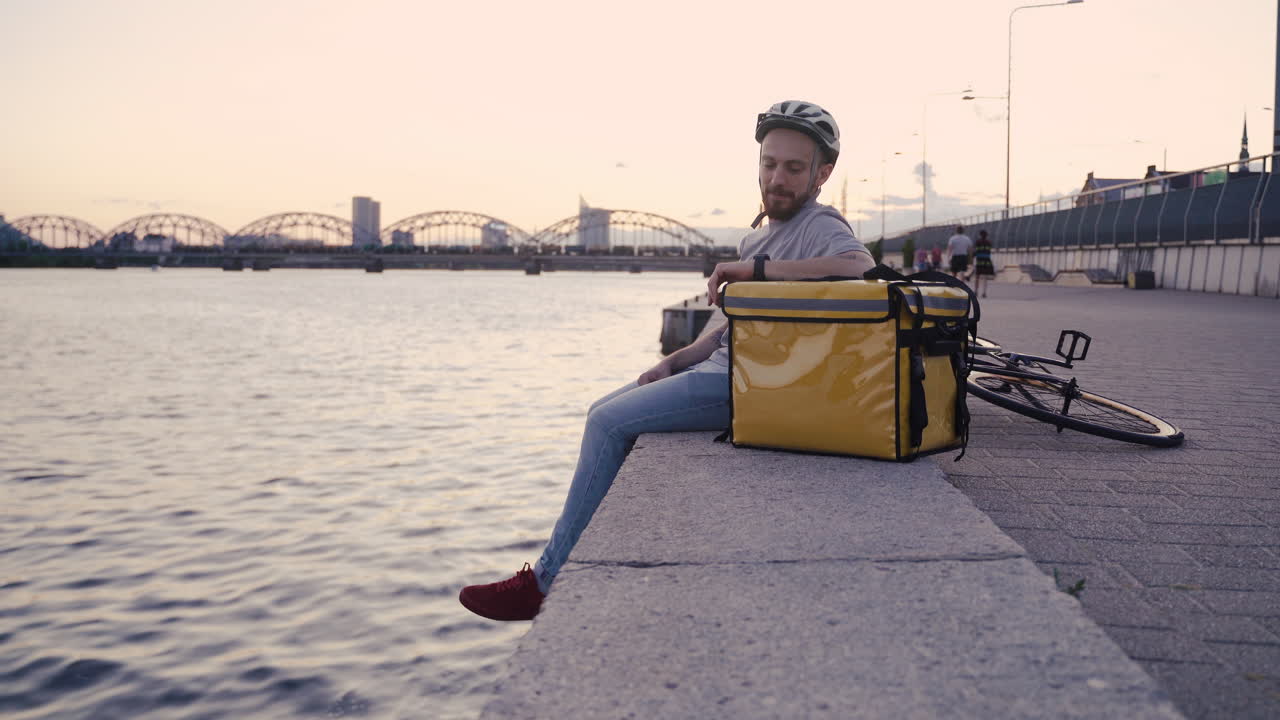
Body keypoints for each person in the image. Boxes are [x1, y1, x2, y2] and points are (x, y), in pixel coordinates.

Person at [457, 100, 875, 621]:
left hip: (758, 385)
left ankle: (544, 582)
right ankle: (578, 559)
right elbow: (730, 328)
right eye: (769, 164)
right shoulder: (756, 236)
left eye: (794, 167)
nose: (777, 179)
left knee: (607, 424)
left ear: (822, 173)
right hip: (728, 369)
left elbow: (860, 267)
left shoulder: (819, 223)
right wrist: (674, 361)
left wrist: (757, 271)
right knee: (602, 409)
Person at [971, 228, 994, 298]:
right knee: (985, 277)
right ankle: (984, 292)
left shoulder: (978, 242)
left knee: (977, 276)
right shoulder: (989, 242)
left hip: (979, 261)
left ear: (980, 235)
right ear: (986, 235)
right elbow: (989, 251)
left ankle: (976, 291)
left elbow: (975, 251)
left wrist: (972, 257)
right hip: (987, 261)